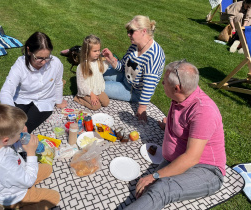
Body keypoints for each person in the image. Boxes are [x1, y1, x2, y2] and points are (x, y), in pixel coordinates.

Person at [124, 60, 226, 210]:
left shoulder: (204, 111)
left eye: (164, 82)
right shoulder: (180, 97)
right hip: (179, 159)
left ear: (177, 88)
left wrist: (155, 176)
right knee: (143, 189)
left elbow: (192, 158)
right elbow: (185, 126)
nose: (162, 84)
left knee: (161, 189)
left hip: (207, 170)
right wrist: (168, 126)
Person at [0, 104, 60, 209]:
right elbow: (28, 181)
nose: (24, 130)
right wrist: (31, 153)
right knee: (54, 197)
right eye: (20, 132)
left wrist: (22, 140)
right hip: (16, 195)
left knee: (47, 168)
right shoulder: (4, 165)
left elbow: (11, 146)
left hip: (11, 178)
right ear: (6, 140)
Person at [0, 32, 67, 133]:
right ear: (29, 51)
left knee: (24, 128)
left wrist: (58, 101)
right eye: (39, 58)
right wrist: (14, 117)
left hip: (44, 101)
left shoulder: (56, 63)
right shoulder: (20, 65)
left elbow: (58, 83)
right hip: (22, 99)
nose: (44, 62)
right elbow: (6, 92)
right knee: (8, 124)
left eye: (47, 57)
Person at [102, 15, 165, 122]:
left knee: (98, 87)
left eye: (131, 31)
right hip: (125, 77)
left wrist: (142, 109)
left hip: (133, 91)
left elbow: (149, 86)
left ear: (143, 31)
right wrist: (112, 60)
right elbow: (122, 66)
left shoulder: (154, 55)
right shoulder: (135, 46)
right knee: (97, 74)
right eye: (128, 31)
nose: (128, 34)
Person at [74, 34, 110, 110]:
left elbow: (102, 70)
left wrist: (108, 61)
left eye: (98, 50)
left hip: (97, 89)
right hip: (87, 92)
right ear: (87, 52)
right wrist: (91, 94)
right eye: (95, 51)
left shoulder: (98, 62)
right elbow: (81, 84)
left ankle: (94, 97)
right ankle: (78, 98)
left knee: (106, 102)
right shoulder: (81, 67)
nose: (98, 53)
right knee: (96, 106)